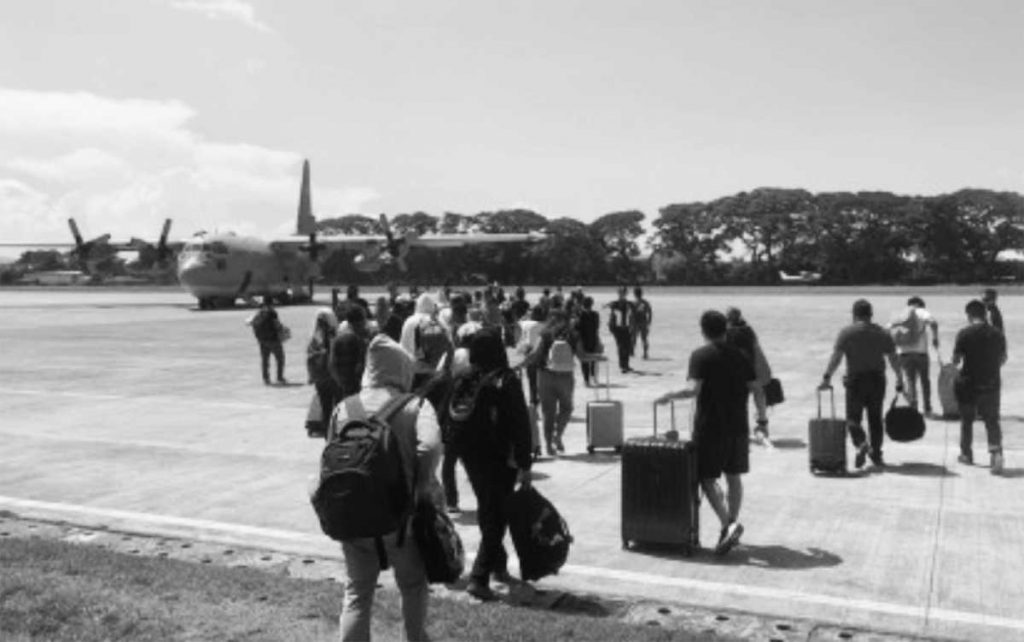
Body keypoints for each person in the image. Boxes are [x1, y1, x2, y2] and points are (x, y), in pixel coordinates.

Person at [330, 334, 443, 641]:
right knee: (412, 585)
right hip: (400, 517)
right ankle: (415, 637)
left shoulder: (344, 407)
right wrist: (421, 486)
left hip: (353, 514)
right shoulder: (415, 405)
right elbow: (430, 447)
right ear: (402, 369)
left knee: (357, 591)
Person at [654, 310, 756, 556]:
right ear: (725, 329)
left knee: (707, 478)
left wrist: (669, 396)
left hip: (711, 428)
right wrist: (761, 419)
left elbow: (693, 390)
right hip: (739, 426)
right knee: (734, 476)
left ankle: (727, 524)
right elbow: (756, 388)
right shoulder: (741, 356)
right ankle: (730, 525)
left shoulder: (700, 355)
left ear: (703, 331)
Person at [455, 328, 533, 601]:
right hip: (500, 458)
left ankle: (498, 567)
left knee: (489, 509)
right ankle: (479, 577)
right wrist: (525, 462)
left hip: (471, 457)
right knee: (496, 517)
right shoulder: (506, 379)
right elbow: (521, 423)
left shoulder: (466, 378)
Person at [820, 299, 905, 469]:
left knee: (853, 418)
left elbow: (836, 357)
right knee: (875, 419)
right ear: (871, 315)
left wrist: (827, 376)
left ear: (854, 315)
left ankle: (860, 443)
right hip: (877, 380)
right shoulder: (882, 333)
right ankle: (877, 455)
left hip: (856, 381)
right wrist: (899, 377)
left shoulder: (847, 332)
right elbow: (893, 358)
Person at [953, 299, 1008, 474]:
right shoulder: (997, 334)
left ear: (969, 315)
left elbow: (956, 360)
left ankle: (966, 454)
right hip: (991, 383)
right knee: (992, 421)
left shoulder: (964, 333)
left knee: (967, 421)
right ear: (985, 314)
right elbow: (1003, 359)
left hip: (968, 383)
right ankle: (996, 452)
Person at [523, 308, 579, 455]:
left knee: (548, 413)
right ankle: (558, 435)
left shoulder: (545, 334)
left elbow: (535, 354)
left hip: (545, 375)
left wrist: (521, 364)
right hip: (565, 376)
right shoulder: (572, 335)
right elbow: (582, 355)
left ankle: (548, 445)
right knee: (567, 408)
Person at [725, 307, 772, 445]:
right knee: (759, 396)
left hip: (739, 374)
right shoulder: (749, 330)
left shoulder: (728, 333)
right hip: (755, 372)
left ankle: (737, 430)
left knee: (736, 401)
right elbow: (757, 350)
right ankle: (762, 424)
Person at [887, 296, 940, 415]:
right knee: (924, 380)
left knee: (910, 380)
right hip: (921, 353)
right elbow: (933, 323)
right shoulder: (921, 311)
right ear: (920, 305)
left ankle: (913, 407)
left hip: (904, 353)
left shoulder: (901, 314)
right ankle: (927, 407)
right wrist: (935, 338)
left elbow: (888, 329)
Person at [306, 308, 340, 436]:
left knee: (326, 407)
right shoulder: (334, 334)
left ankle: (327, 432)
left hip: (320, 377)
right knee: (337, 405)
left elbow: (309, 358)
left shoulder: (314, 336)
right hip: (333, 376)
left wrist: (311, 376)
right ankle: (335, 432)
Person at [330, 304, 373, 401]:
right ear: (362, 320)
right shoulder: (364, 342)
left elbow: (332, 366)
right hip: (360, 390)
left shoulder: (338, 340)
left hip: (343, 389)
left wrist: (342, 384)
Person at [248, 298, 286, 385]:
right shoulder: (272, 313)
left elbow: (249, 322)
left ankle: (266, 378)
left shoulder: (259, 313)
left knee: (265, 360)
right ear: (271, 304)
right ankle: (279, 377)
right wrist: (283, 330)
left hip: (262, 340)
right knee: (280, 359)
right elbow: (277, 325)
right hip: (273, 339)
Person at [606, 286, 634, 373]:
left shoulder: (629, 304)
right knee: (621, 346)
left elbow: (632, 316)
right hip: (618, 329)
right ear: (618, 294)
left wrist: (632, 327)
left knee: (627, 346)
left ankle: (626, 364)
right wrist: (612, 328)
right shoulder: (614, 304)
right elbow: (611, 316)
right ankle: (622, 366)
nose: (623, 295)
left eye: (624, 293)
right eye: (621, 293)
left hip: (626, 328)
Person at [576, 296, 602, 386]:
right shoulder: (595, 314)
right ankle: (594, 378)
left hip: (583, 339)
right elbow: (597, 327)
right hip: (593, 338)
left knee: (584, 361)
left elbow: (577, 328)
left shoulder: (580, 315)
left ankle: (586, 380)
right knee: (594, 360)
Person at [631, 287, 653, 360]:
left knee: (633, 338)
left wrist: (630, 323)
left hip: (635, 323)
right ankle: (645, 353)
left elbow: (631, 314)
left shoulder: (634, 303)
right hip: (643, 322)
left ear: (634, 294)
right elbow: (649, 312)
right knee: (644, 339)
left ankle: (632, 352)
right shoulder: (645, 302)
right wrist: (649, 321)